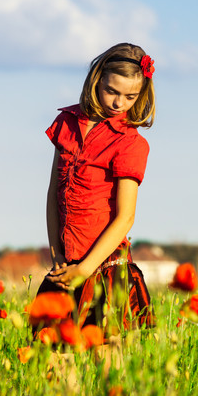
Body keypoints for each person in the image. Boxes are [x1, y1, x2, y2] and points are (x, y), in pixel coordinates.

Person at [36, 42, 156, 337]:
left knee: (105, 367)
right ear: (97, 79)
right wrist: (58, 259)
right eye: (112, 91)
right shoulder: (66, 123)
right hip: (65, 268)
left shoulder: (130, 143)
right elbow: (54, 194)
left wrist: (85, 269)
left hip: (105, 270)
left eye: (130, 96)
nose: (119, 103)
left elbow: (125, 218)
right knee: (53, 367)